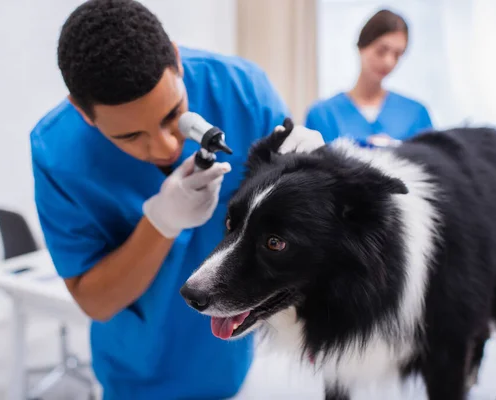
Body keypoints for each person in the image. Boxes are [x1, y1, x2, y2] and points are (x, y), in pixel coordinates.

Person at [29, 1, 323, 399]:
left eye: (173, 115)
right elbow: (95, 301)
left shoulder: (241, 90)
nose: (166, 146)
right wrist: (160, 224)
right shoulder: (59, 153)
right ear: (83, 113)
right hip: (140, 371)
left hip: (235, 358)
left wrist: (315, 170)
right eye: (131, 137)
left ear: (178, 61)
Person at [305, 9, 433, 147]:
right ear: (362, 47)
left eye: (397, 54)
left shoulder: (416, 114)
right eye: (381, 50)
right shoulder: (323, 115)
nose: (389, 62)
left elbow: (433, 163)